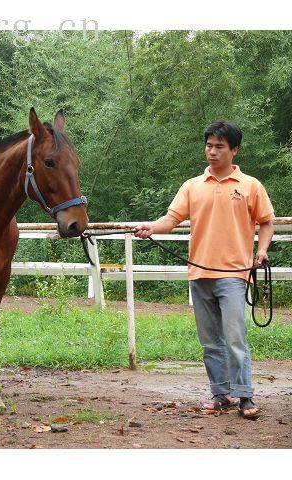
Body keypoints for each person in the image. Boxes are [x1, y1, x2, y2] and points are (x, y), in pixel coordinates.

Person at [134, 120, 275, 420]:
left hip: (234, 274)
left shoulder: (250, 186)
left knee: (235, 337)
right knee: (210, 341)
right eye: (209, 146)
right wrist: (150, 227)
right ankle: (221, 394)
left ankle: (245, 396)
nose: (212, 152)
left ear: (234, 150)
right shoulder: (192, 186)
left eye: (219, 147)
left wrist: (261, 251)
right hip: (199, 274)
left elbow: (266, 221)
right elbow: (170, 220)